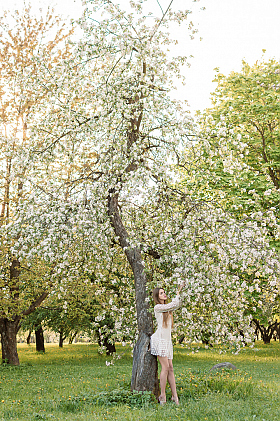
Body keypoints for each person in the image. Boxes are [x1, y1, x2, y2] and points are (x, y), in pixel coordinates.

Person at [150, 284, 184, 405]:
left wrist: (180, 293)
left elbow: (177, 304)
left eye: (164, 292)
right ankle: (163, 395)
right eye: (161, 293)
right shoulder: (158, 307)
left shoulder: (167, 309)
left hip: (167, 341)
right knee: (165, 368)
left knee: (171, 368)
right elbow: (174, 304)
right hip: (159, 340)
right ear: (157, 297)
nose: (164, 294)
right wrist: (178, 291)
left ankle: (175, 397)